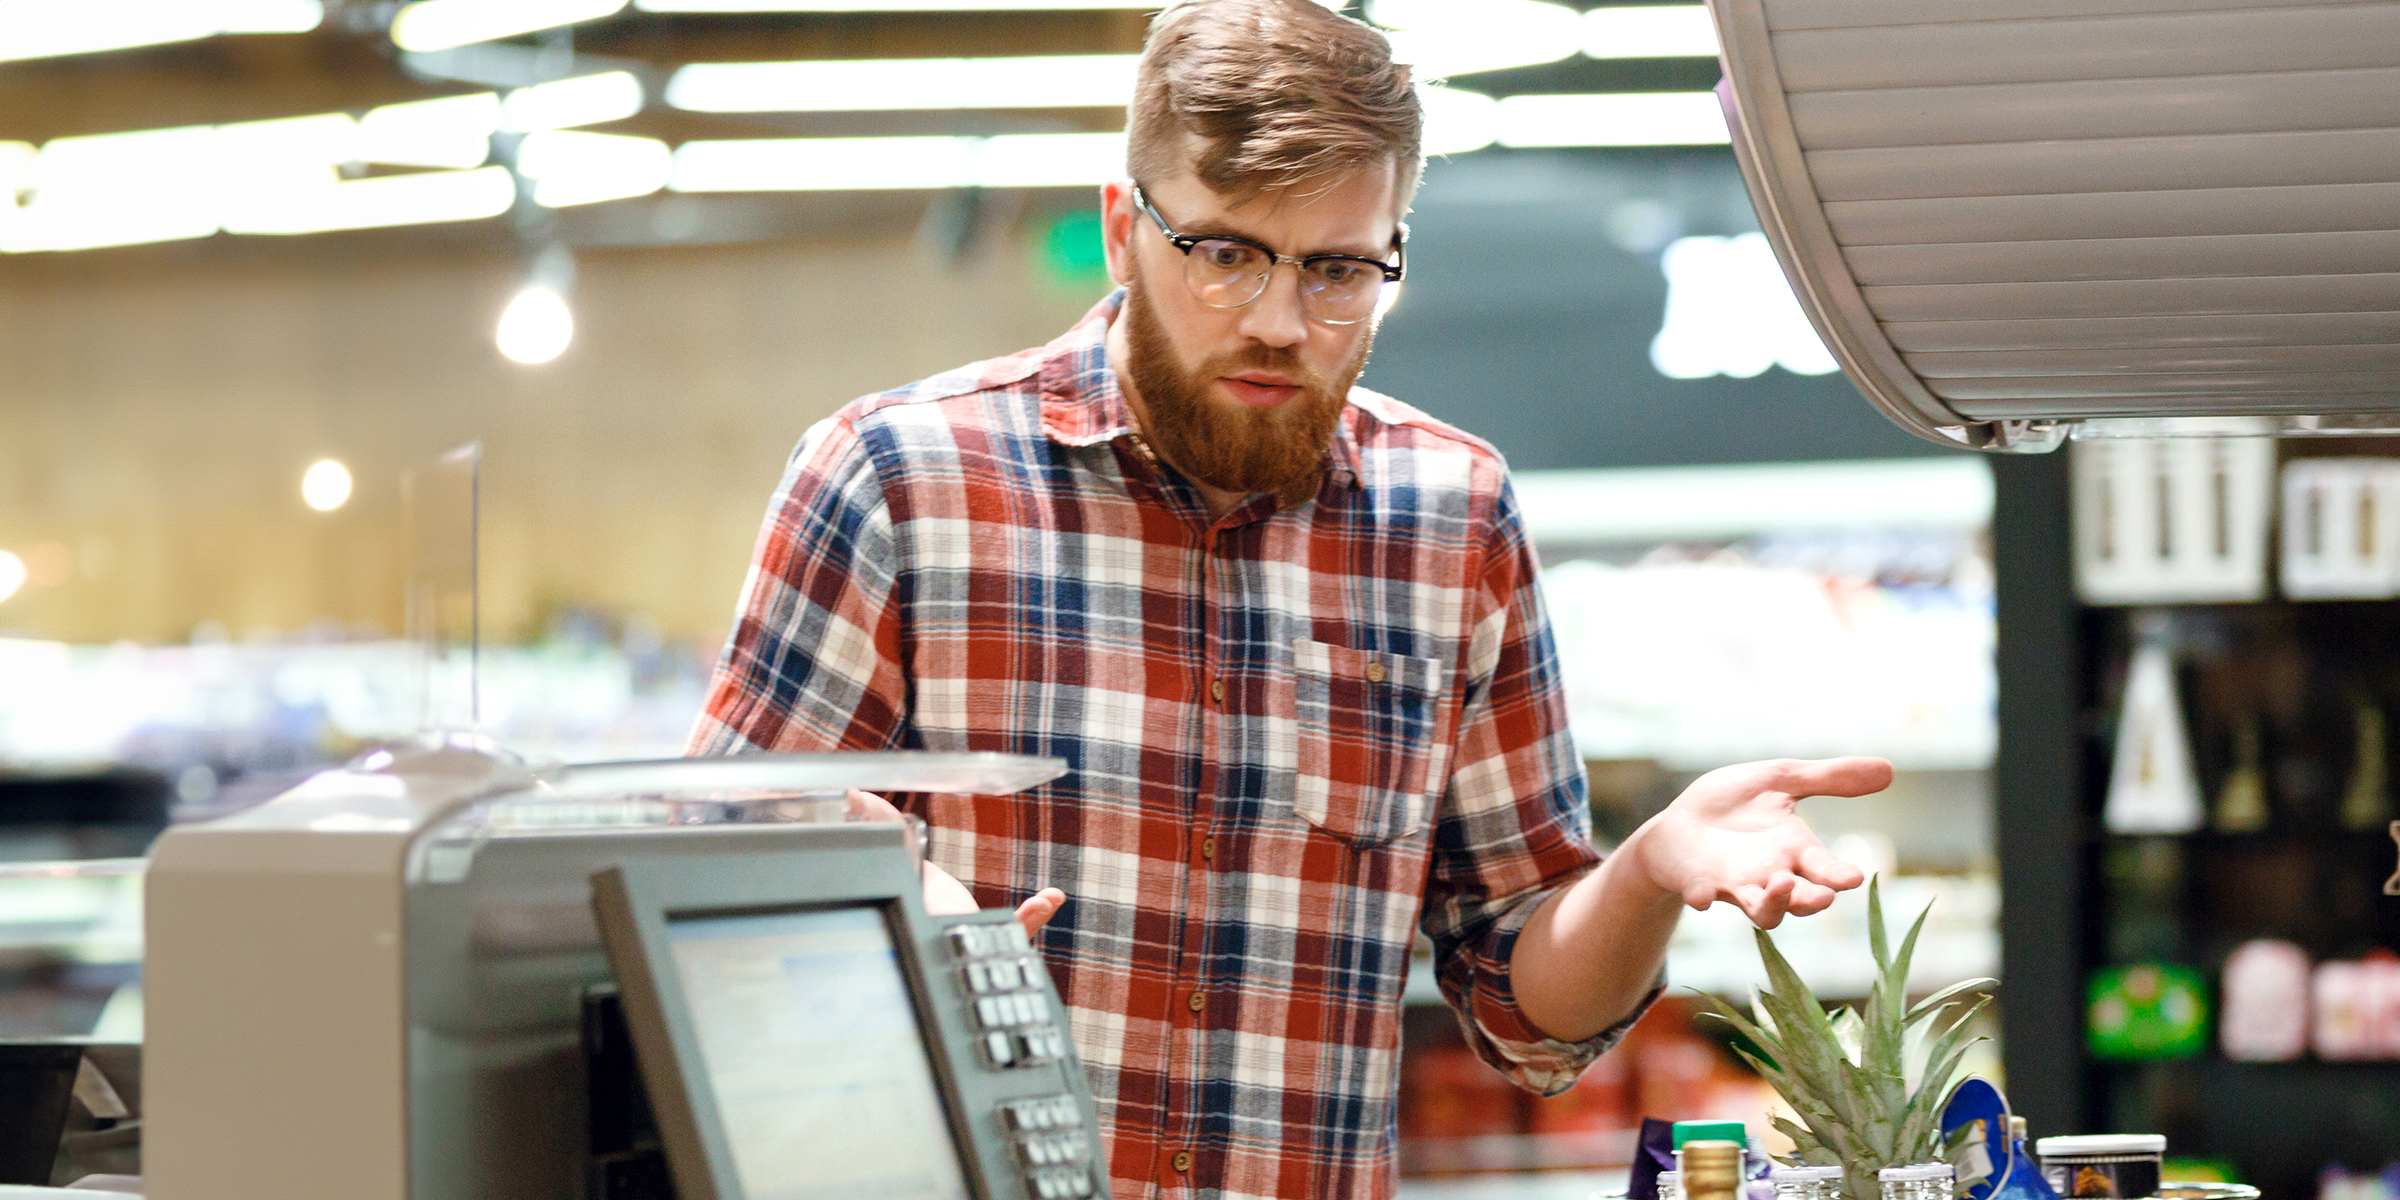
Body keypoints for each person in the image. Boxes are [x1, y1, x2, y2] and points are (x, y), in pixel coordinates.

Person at [689, 1, 1882, 1196]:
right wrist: (900, 901)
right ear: (1122, 230)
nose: (1276, 322)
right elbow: (711, 878)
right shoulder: (901, 478)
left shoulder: (1450, 518)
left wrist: (1641, 875)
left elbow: (1525, 1017)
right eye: (1224, 255)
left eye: (1337, 271)